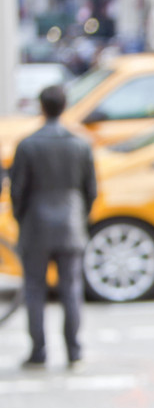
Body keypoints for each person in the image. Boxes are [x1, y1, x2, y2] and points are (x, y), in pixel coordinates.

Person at [10, 85, 97, 369]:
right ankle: (74, 351)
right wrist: (81, 218)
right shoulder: (80, 144)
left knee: (34, 290)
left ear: (41, 106)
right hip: (71, 224)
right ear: (65, 106)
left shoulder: (27, 145)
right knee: (71, 289)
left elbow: (17, 191)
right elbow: (90, 190)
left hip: (35, 225)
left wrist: (21, 219)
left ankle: (38, 352)